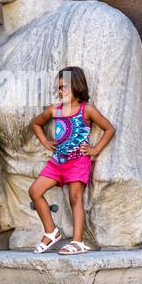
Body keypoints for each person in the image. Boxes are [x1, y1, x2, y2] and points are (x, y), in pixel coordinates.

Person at [29, 66, 116, 254]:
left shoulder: (87, 110)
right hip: (57, 162)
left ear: (77, 86)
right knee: (35, 191)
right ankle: (51, 232)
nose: (61, 91)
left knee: (75, 198)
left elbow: (109, 129)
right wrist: (45, 141)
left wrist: (94, 150)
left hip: (78, 162)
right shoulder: (55, 110)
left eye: (65, 87)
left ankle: (77, 241)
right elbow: (36, 123)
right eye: (59, 87)